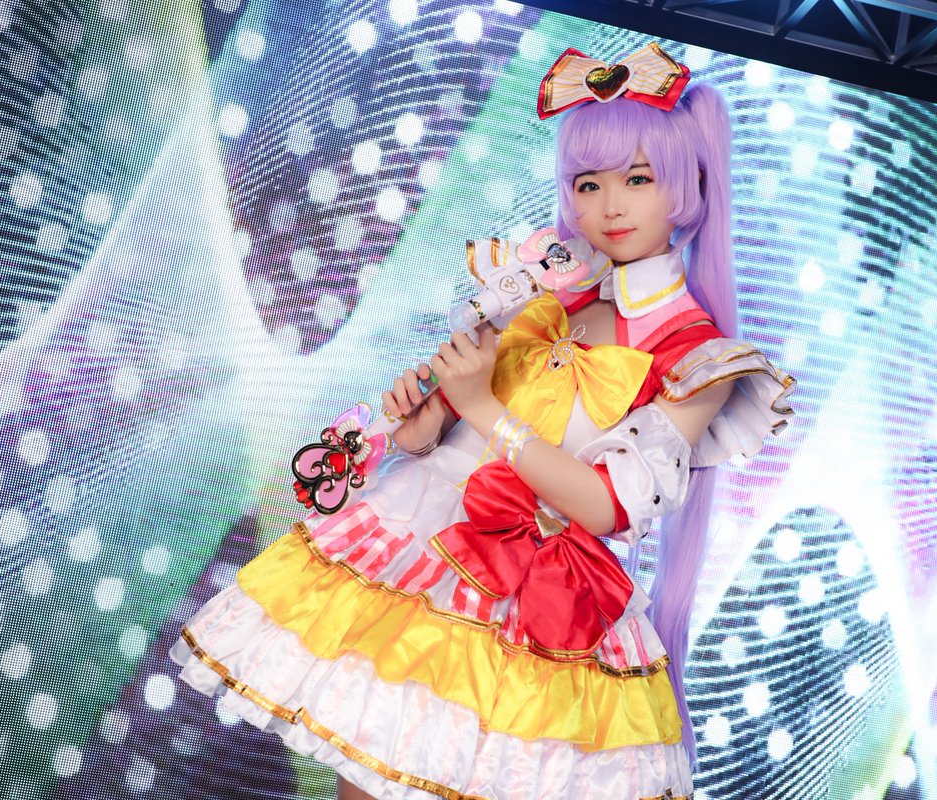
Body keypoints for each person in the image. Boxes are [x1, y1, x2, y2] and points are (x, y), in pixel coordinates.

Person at [171, 42, 794, 800]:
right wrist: (423, 426)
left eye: (638, 178)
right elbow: (452, 429)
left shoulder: (699, 355)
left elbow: (606, 505)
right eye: (589, 182)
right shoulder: (539, 289)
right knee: (364, 775)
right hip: (423, 544)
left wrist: (483, 409)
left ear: (689, 182)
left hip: (537, 595)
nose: (610, 205)